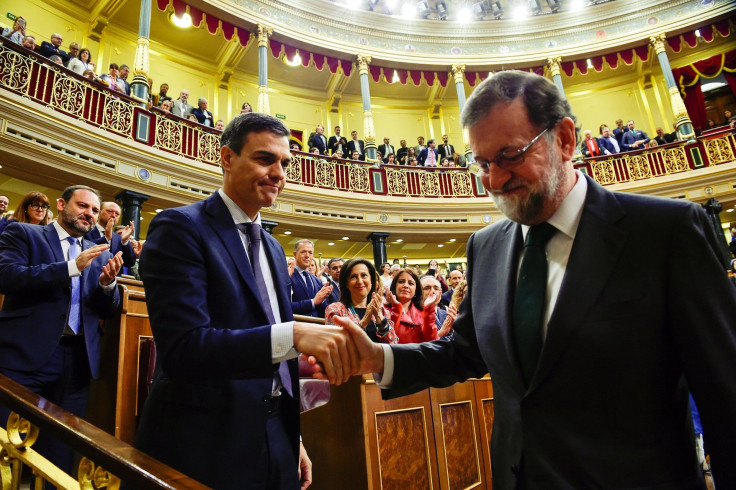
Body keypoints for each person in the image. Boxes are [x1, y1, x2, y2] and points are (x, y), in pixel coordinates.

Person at [329, 70, 736, 490]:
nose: (494, 180)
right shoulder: (485, 247)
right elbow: (465, 352)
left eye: (510, 155)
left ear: (563, 138)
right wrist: (379, 358)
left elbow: (725, 394)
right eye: (483, 164)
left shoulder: (664, 233)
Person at [134, 112, 359, 489]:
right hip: (207, 441)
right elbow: (185, 348)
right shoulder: (180, 228)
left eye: (284, 163)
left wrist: (292, 436)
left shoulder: (272, 247)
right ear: (227, 158)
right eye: (264, 158)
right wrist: (293, 335)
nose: (279, 173)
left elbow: (269, 349)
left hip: (275, 434)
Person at [0, 185, 122, 475]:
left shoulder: (99, 255)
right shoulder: (25, 234)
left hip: (78, 362)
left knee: (61, 455)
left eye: (94, 210)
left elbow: (106, 309)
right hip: (25, 356)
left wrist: (108, 286)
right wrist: (69, 267)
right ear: (61, 204)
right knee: (9, 446)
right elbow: (6, 276)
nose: (90, 214)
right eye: (82, 206)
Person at [324, 258, 398, 344]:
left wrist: (380, 318)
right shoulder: (335, 310)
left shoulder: (381, 309)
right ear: (346, 283)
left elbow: (393, 344)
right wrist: (363, 323)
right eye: (353, 277)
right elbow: (337, 345)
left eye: (364, 275)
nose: (359, 281)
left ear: (371, 281)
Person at [383, 267, 438, 343]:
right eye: (401, 282)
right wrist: (396, 308)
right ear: (394, 286)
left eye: (411, 283)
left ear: (416, 290)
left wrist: (429, 309)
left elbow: (431, 341)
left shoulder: (424, 311)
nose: (406, 285)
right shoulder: (383, 309)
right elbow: (386, 339)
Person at [85, 201, 137, 271]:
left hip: (111, 280)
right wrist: (106, 238)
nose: (113, 215)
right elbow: (85, 251)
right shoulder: (86, 230)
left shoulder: (118, 238)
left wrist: (125, 242)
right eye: (110, 211)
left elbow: (130, 263)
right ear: (99, 212)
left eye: (117, 214)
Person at [290, 239, 332, 317]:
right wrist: (313, 302)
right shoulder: (288, 277)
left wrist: (323, 299)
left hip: (317, 325)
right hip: (296, 325)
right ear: (295, 254)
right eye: (303, 252)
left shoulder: (317, 280)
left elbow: (323, 309)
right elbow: (285, 306)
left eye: (310, 253)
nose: (307, 256)